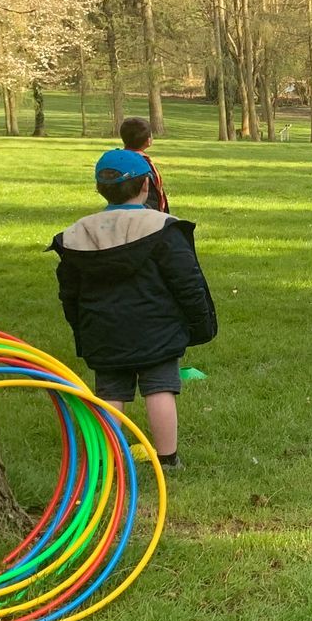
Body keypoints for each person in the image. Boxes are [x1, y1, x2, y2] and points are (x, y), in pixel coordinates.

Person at [50, 149, 217, 468]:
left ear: (100, 188)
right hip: (157, 329)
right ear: (146, 187)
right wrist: (200, 323)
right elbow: (187, 281)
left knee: (110, 391)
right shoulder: (163, 228)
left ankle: (105, 459)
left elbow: (69, 293)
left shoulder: (79, 235)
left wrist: (80, 326)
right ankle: (168, 459)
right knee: (160, 389)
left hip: (102, 329)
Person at [118, 116, 170, 213]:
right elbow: (152, 194)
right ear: (148, 141)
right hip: (147, 215)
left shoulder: (119, 161)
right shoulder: (144, 165)